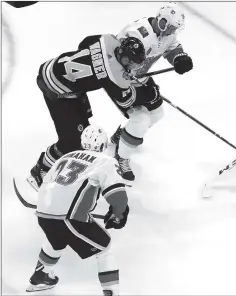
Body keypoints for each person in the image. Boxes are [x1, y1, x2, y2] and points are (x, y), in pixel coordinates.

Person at [28, 33, 149, 190]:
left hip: (53, 69)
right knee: (70, 141)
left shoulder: (108, 40)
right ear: (125, 58)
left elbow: (84, 43)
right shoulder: (115, 76)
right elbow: (126, 101)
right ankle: (40, 171)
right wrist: (133, 82)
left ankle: (69, 167)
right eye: (132, 64)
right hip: (56, 90)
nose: (133, 67)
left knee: (84, 131)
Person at [26, 125, 129, 296]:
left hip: (43, 213)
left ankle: (40, 276)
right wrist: (119, 214)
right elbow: (118, 197)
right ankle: (112, 292)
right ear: (103, 145)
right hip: (69, 218)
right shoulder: (105, 160)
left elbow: (49, 184)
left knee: (56, 239)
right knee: (105, 248)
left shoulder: (64, 157)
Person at [108, 2, 194, 181]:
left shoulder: (166, 33)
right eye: (170, 27)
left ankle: (122, 136)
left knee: (156, 115)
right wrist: (133, 85)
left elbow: (172, 47)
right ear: (162, 21)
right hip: (118, 81)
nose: (172, 32)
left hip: (139, 77)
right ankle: (121, 157)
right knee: (141, 120)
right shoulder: (136, 34)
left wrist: (179, 58)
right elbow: (114, 63)